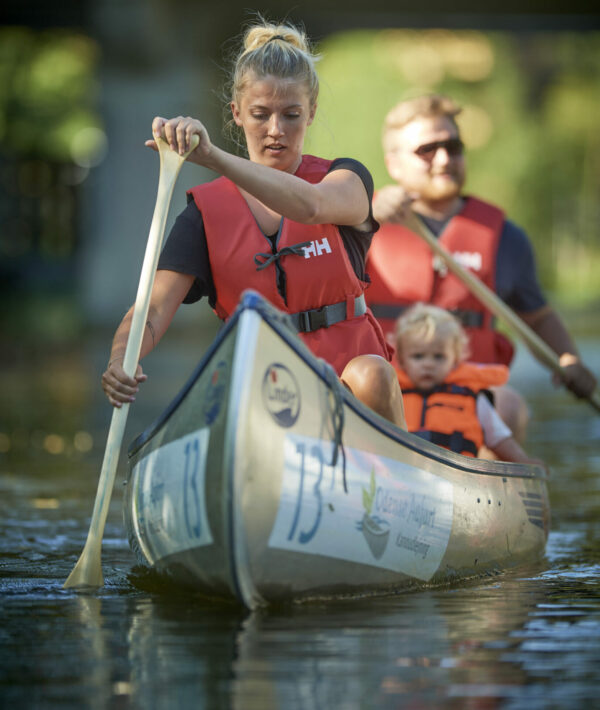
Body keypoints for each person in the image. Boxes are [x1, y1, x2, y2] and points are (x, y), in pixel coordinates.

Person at [101, 19, 405, 428]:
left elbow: (312, 207)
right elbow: (153, 307)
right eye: (260, 114)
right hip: (263, 391)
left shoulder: (347, 180)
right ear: (237, 114)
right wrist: (122, 360)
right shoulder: (203, 215)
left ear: (311, 112)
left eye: (291, 115)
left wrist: (213, 157)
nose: (275, 130)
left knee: (372, 374)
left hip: (351, 388)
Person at [366, 94, 596, 438]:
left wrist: (570, 360)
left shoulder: (504, 236)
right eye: (426, 150)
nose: (444, 159)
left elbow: (538, 317)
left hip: (469, 405)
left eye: (454, 147)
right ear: (394, 164)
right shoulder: (357, 224)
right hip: (384, 401)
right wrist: (363, 214)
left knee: (510, 406)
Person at [394, 303, 543, 465]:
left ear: (455, 358)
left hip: (455, 476)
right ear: (401, 359)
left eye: (439, 357)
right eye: (418, 356)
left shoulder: (471, 398)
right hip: (403, 473)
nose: (428, 364)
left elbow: (499, 438)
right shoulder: (393, 395)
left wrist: (523, 462)